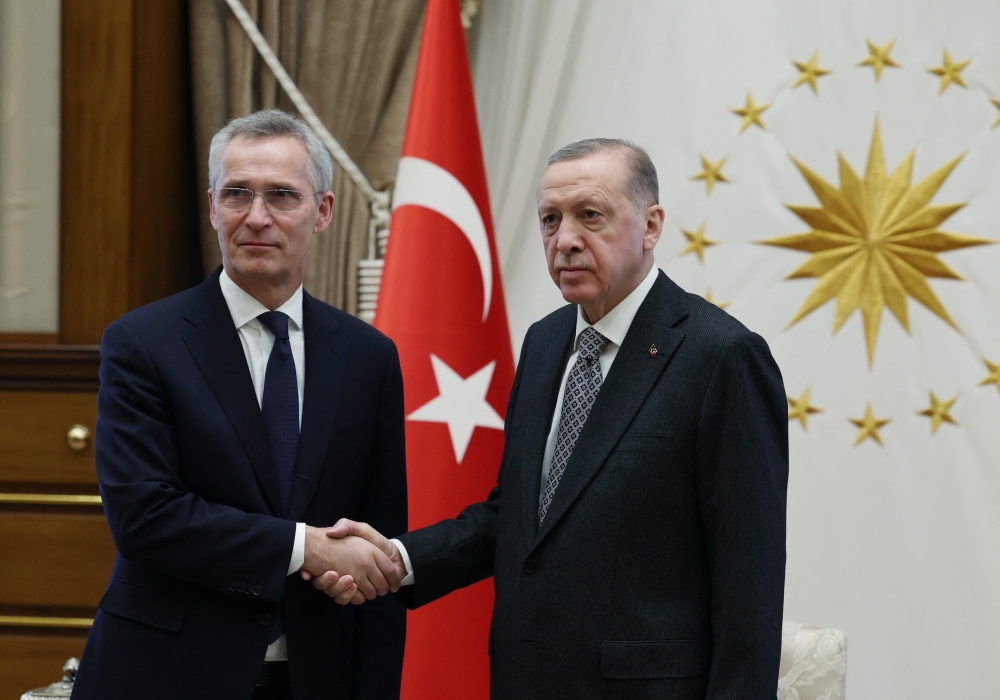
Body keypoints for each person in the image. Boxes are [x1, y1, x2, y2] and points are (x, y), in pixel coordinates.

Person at [314, 139, 789, 698]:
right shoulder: (544, 343)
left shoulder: (721, 357)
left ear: (651, 225)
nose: (565, 240)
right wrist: (399, 558)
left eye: (590, 215)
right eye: (549, 220)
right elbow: (518, 518)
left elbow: (748, 592)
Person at [71, 109, 407, 700]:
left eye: (282, 195)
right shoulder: (143, 343)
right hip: (164, 675)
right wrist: (306, 545)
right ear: (212, 206)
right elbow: (145, 518)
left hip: (313, 677)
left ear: (323, 211)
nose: (257, 217)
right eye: (238, 194)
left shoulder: (369, 357)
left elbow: (376, 549)